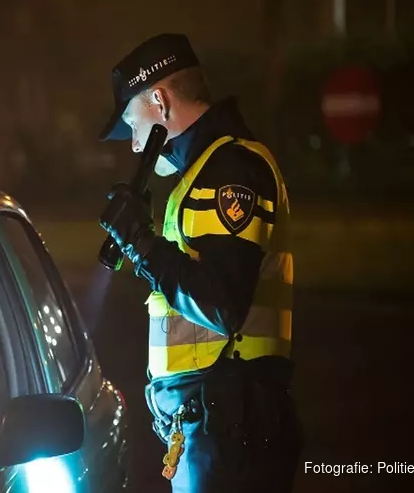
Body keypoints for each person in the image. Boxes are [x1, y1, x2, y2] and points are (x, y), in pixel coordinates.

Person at [98, 33, 301, 492]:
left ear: (159, 101)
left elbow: (220, 302)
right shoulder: (205, 171)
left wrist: (141, 242)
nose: (133, 145)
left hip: (232, 420)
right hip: (216, 419)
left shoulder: (231, 168)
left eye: (133, 122)